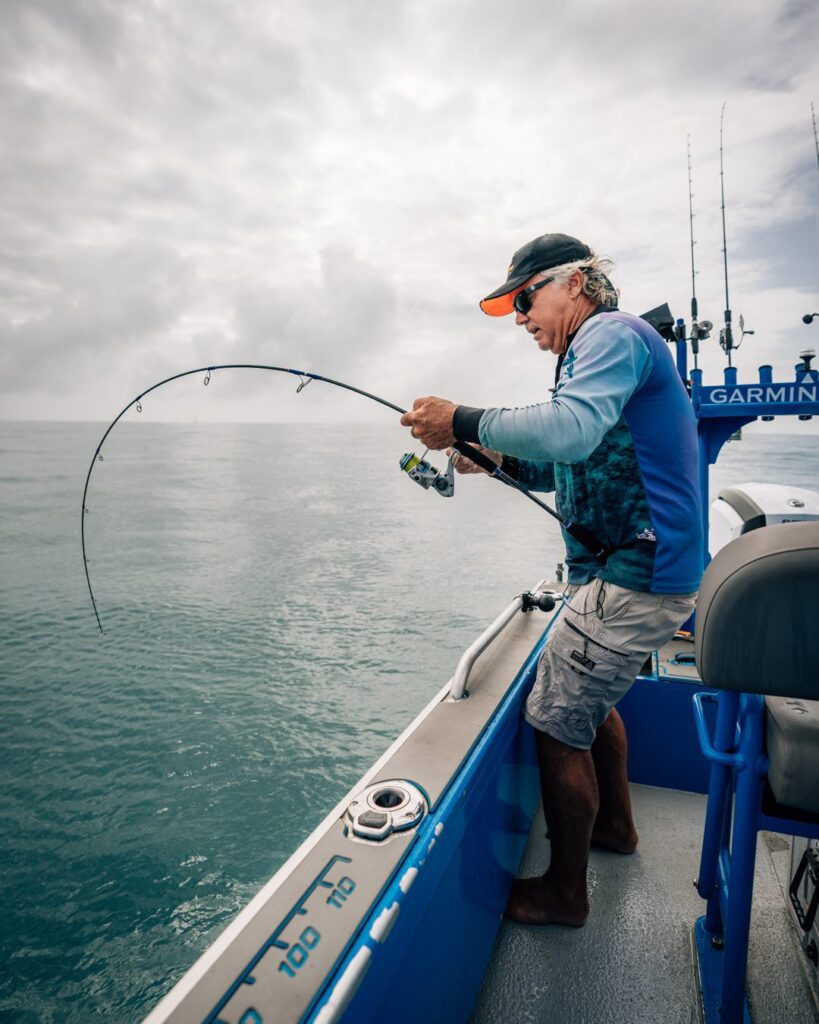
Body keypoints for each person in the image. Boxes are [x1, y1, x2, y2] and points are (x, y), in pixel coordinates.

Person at [400, 232, 702, 928]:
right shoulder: (595, 356)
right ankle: (614, 827)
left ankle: (565, 893)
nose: (519, 318)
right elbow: (565, 461)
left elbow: (567, 431)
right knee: (587, 702)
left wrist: (459, 418)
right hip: (633, 574)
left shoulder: (610, 335)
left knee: (555, 720)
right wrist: (492, 457)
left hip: (635, 575)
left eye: (525, 298)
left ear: (575, 283)